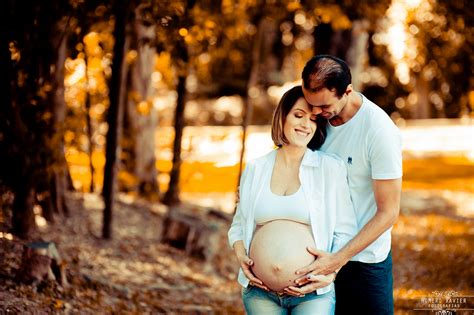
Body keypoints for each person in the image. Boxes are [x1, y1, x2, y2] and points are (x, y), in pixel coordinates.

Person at [228, 85, 358, 314]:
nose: (306, 125)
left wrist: (331, 272)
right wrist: (241, 256)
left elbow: (345, 230)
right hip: (260, 293)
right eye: (298, 115)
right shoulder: (256, 168)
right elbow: (239, 224)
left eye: (313, 119)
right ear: (282, 117)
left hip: (312, 295)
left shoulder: (329, 168)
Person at [297, 55, 403, 315]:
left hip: (364, 261)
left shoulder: (378, 131)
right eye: (311, 104)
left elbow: (388, 212)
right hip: (316, 255)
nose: (315, 113)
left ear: (347, 91)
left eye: (323, 106)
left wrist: (338, 260)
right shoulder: (313, 122)